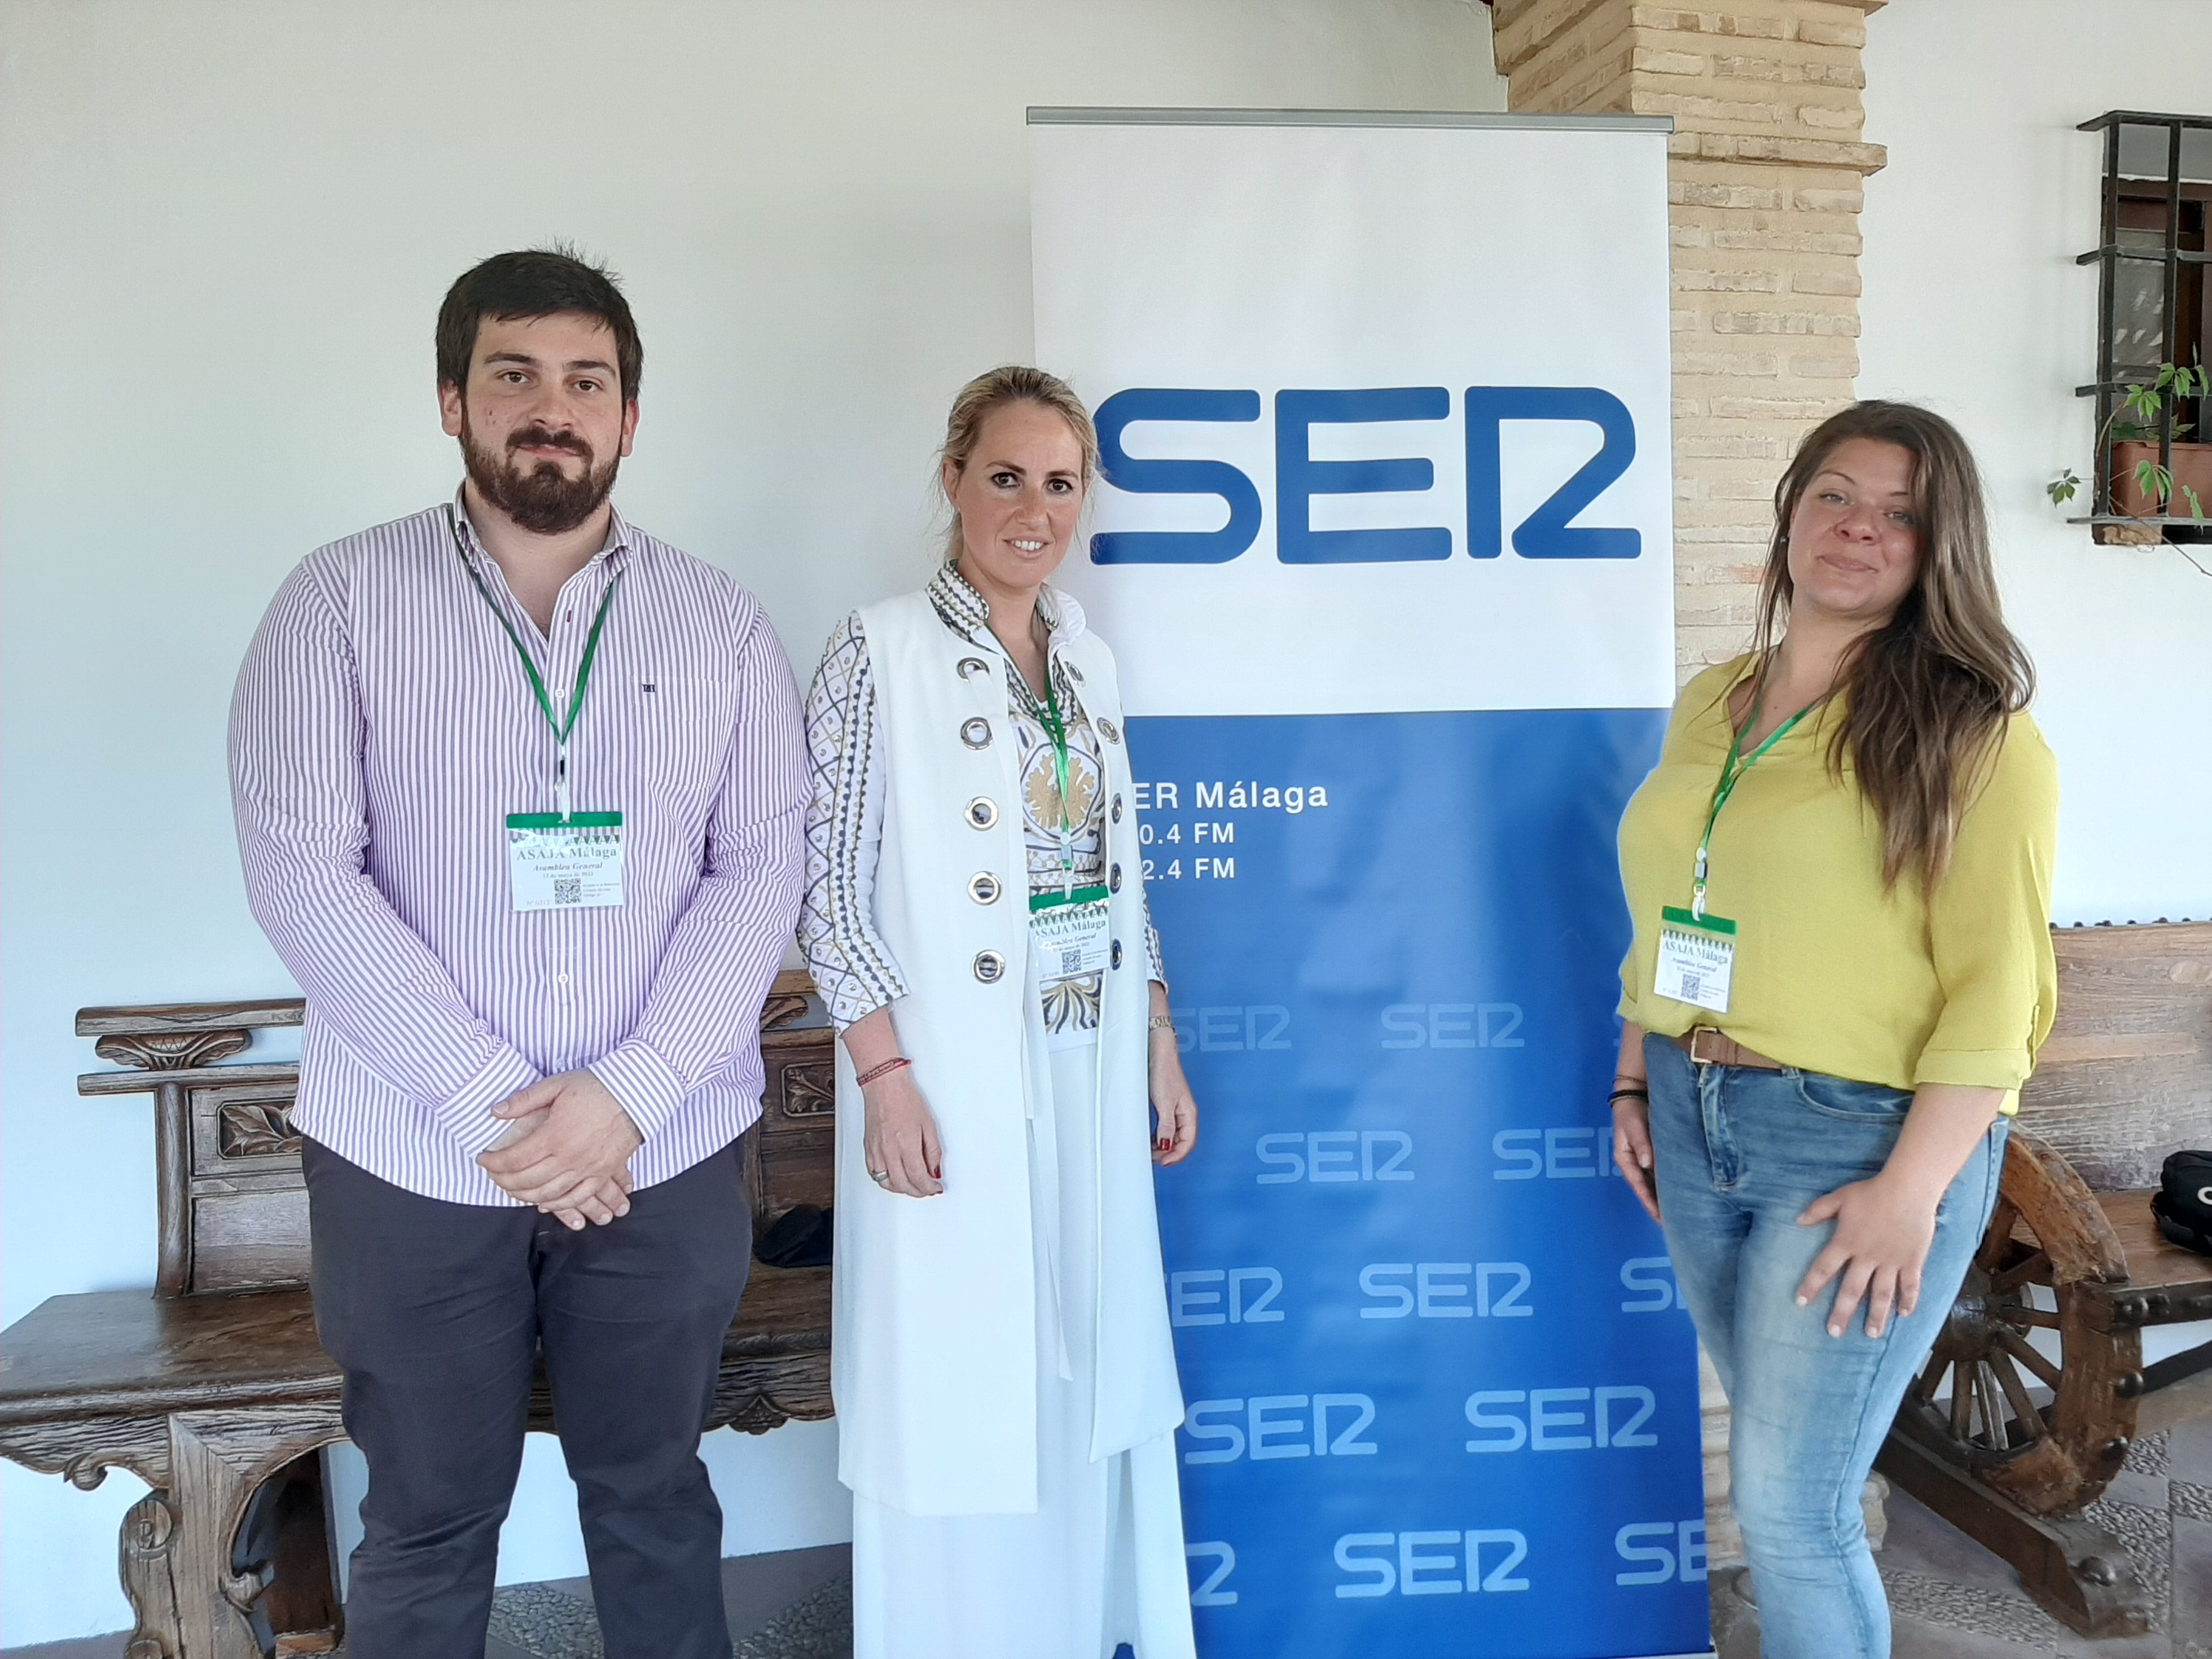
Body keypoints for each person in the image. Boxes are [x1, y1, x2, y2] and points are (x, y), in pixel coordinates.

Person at [229, 247, 807, 1659]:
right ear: (451, 400)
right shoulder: (337, 603)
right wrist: (509, 1108)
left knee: (655, 1496)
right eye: (515, 375)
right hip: (413, 1159)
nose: (552, 408)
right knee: (428, 1518)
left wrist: (629, 1095)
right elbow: (303, 872)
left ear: (628, 418)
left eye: (585, 381)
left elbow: (760, 870)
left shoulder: (720, 622)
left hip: (660, 1154)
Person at [1609, 400, 2058, 1659]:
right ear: (1791, 511)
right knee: (1783, 1463)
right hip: (1700, 1126)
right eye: (1835, 496)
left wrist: (1911, 1195)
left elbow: (1999, 994)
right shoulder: (1718, 700)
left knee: (1793, 1510)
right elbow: (1670, 902)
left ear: (1939, 546)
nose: (1861, 529)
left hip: (1859, 1145)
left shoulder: (1978, 734)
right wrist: (1635, 1074)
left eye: (1901, 513)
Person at [798, 365, 1200, 1659]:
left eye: (1061, 482)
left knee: (1081, 1355)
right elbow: (828, 882)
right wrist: (885, 1074)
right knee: (960, 1362)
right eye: (1008, 476)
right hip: (953, 1066)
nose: (1035, 507)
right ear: (955, 479)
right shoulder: (879, 649)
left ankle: (1071, 1632)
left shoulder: (1086, 656)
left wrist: (1159, 1036)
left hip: (1088, 1050)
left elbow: (1116, 870)